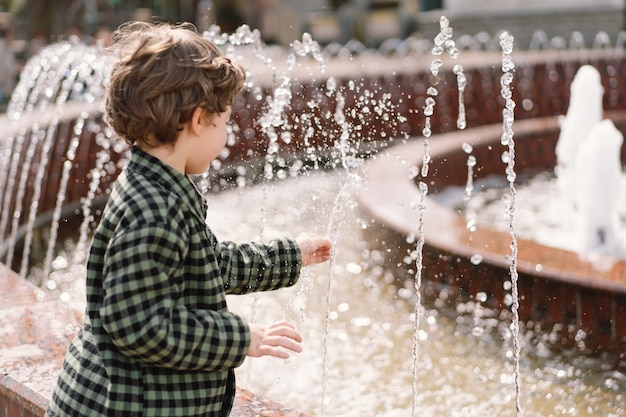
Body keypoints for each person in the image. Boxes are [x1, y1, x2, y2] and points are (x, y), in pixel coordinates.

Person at [45, 21, 332, 417]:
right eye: (225, 120)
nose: (227, 132)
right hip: (131, 405)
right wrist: (242, 337)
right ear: (200, 120)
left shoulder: (160, 187)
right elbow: (138, 325)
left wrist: (290, 255)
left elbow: (210, 265)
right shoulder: (154, 210)